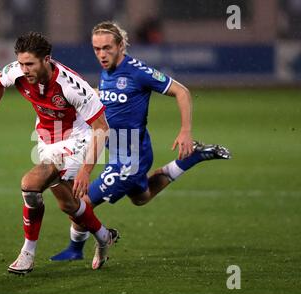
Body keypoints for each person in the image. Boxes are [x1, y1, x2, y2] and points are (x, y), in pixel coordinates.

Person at [50, 21, 231, 261]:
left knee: (81, 202)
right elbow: (109, 98)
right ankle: (192, 158)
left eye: (107, 48)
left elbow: (182, 92)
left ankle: (77, 248)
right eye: (96, 49)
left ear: (121, 45)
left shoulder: (138, 71)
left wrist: (185, 131)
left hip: (130, 155)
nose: (101, 54)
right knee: (141, 197)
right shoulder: (108, 71)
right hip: (118, 150)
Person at [0, 32, 119, 274]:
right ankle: (104, 236)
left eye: (30, 64)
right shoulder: (18, 71)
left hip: (77, 138)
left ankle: (27, 254)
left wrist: (86, 169)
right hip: (46, 139)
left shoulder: (71, 86)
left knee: (31, 183)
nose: (24, 69)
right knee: (68, 205)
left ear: (47, 60)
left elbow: (102, 128)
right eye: (21, 63)